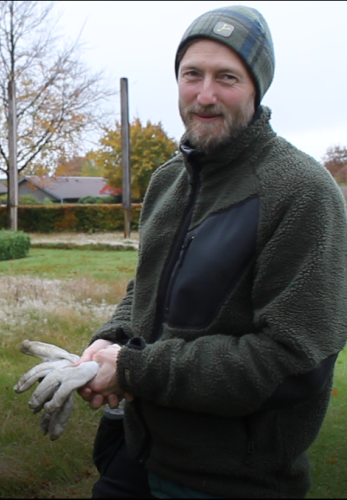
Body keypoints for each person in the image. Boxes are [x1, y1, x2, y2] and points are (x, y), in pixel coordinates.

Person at [77, 5, 347, 499]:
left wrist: (134, 369)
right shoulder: (167, 181)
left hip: (231, 479)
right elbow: (147, 288)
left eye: (227, 77)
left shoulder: (302, 190)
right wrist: (108, 341)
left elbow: (293, 362)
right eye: (191, 75)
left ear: (257, 86)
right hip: (135, 453)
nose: (205, 95)